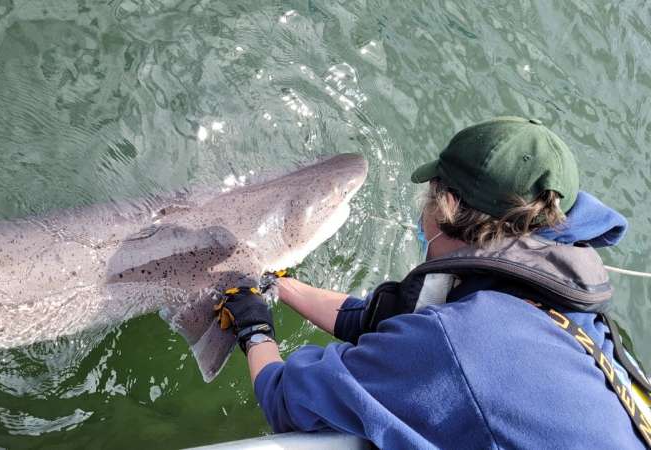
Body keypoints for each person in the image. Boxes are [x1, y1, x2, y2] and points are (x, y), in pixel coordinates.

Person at [216, 117, 651, 449]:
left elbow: (286, 398)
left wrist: (254, 327)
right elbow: (381, 322)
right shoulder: (563, 306)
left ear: (445, 208)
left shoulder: (457, 343)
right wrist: (283, 285)